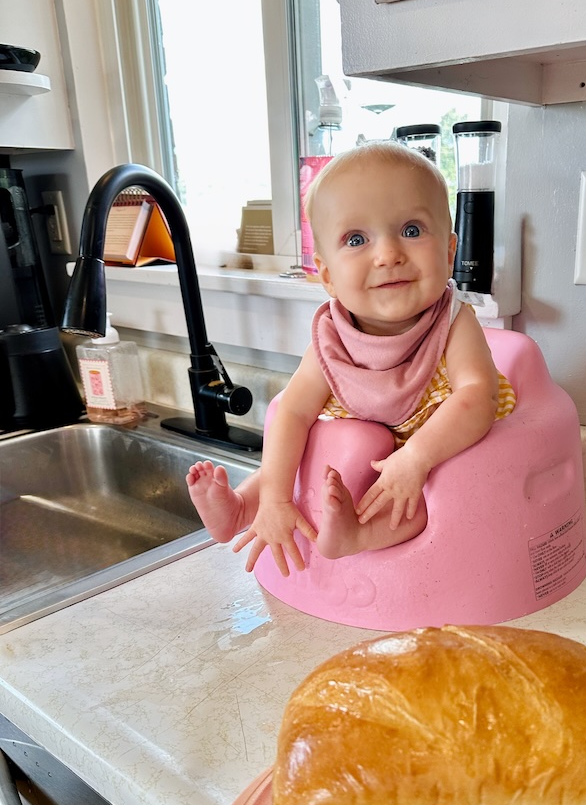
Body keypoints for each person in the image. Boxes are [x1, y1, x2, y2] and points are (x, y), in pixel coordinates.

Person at [187, 141, 515, 577]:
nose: (388, 254)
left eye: (412, 230)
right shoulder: (332, 337)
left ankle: (358, 536)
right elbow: (291, 413)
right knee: (298, 460)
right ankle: (245, 508)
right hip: (360, 442)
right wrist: (278, 500)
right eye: (356, 239)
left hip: (429, 439)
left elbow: (477, 397)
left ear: (450, 251)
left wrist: (416, 457)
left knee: (435, 494)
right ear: (327, 276)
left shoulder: (453, 321)